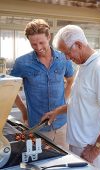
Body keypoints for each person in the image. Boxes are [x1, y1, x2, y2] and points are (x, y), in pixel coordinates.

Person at [41, 25, 100, 170]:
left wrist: (95, 150)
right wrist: (57, 111)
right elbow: (80, 102)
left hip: (89, 148)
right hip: (77, 144)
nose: (66, 57)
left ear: (78, 44)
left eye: (67, 52)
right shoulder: (82, 66)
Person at [10, 19, 74, 149]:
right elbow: (10, 88)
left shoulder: (63, 58)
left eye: (41, 43)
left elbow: (71, 79)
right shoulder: (22, 63)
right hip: (38, 128)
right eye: (33, 44)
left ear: (49, 37)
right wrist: (23, 110)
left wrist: (63, 103)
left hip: (62, 124)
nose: (38, 48)